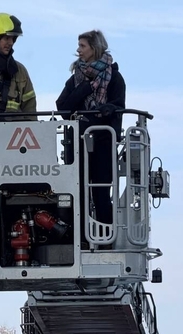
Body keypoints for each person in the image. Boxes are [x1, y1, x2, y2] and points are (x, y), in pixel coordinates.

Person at [55, 29, 126, 225]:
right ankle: (80, 237)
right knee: (77, 192)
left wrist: (106, 111)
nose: (78, 50)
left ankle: (106, 238)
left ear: (94, 48)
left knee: (101, 192)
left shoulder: (114, 78)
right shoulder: (76, 78)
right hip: (77, 144)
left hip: (103, 144)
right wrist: (84, 89)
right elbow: (62, 107)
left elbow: (119, 107)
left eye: (82, 46)